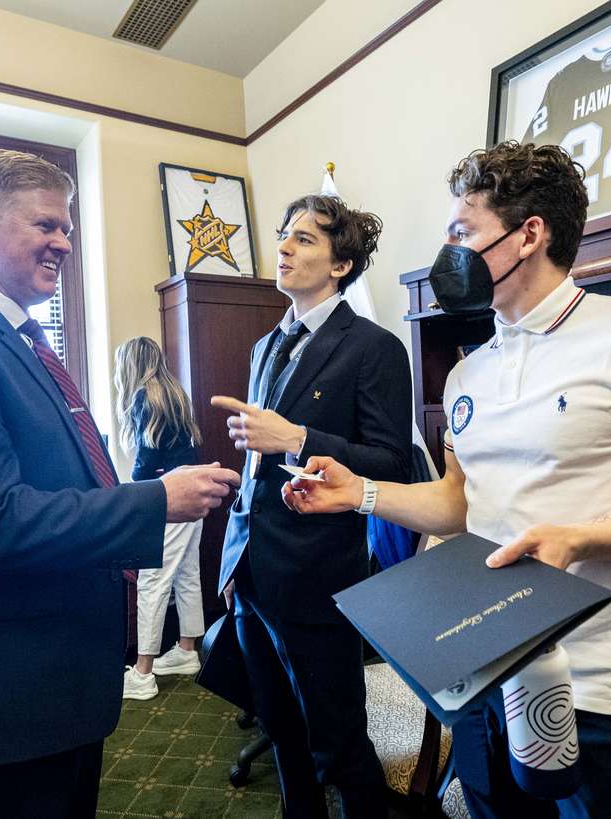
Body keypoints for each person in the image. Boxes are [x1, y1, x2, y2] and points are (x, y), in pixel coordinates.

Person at [283, 141, 611, 819]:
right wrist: (361, 493)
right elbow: (461, 502)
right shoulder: (468, 373)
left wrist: (578, 538)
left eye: (463, 232)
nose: (447, 251)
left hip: (603, 697)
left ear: (529, 234)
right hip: (485, 677)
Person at [0, 148, 239, 819]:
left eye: (67, 228)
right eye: (46, 226)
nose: (64, 242)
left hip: (53, 693)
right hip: (1, 705)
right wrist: (157, 499)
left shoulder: (22, 341)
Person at [211, 194, 413, 818]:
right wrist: (230, 561)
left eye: (303, 239)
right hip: (251, 574)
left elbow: (391, 463)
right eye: (282, 236)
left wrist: (296, 438)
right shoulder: (266, 346)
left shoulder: (374, 348)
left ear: (341, 264)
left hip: (318, 576)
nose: (284, 247)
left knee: (338, 747)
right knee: (285, 744)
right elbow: (256, 466)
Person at [114, 336, 206, 700]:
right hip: (194, 491)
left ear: (131, 366)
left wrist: (131, 482)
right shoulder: (175, 393)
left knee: (152, 581)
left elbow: (143, 469)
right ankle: (186, 650)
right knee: (187, 575)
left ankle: (143, 672)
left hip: (169, 497)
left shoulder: (144, 398)